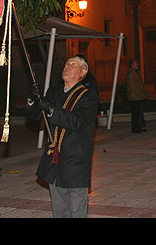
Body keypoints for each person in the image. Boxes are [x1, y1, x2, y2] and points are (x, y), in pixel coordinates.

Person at [27, 55, 99, 218]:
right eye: (66, 64)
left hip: (76, 160)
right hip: (55, 159)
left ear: (83, 73)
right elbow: (36, 116)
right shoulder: (54, 92)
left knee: (77, 210)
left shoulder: (89, 96)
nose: (67, 66)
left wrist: (51, 110)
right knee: (59, 209)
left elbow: (76, 121)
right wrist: (33, 100)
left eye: (73, 64)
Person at [126, 59, 148, 133]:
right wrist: (141, 95)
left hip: (138, 96)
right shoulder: (131, 74)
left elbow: (141, 85)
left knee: (139, 113)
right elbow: (134, 87)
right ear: (132, 65)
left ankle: (139, 126)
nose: (137, 64)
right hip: (134, 97)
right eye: (136, 63)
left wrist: (144, 93)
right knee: (135, 113)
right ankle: (136, 128)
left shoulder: (137, 73)